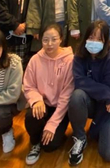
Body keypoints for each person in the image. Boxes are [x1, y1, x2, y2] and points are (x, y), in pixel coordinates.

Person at [67, 20, 110, 165]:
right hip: (91, 102)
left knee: (109, 153)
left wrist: (95, 126)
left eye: (99, 39)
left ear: (105, 41)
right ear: (85, 37)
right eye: (91, 37)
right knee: (77, 96)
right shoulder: (79, 55)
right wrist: (105, 92)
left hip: (109, 107)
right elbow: (79, 81)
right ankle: (80, 138)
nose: (94, 42)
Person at [23, 24, 74, 165]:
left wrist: (52, 124)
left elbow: (66, 95)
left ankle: (49, 133)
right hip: (43, 104)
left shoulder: (70, 60)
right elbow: (28, 85)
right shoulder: (35, 59)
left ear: (61, 39)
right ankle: (35, 142)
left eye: (54, 39)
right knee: (31, 116)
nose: (49, 44)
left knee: (50, 146)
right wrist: (36, 100)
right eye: (45, 40)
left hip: (60, 109)